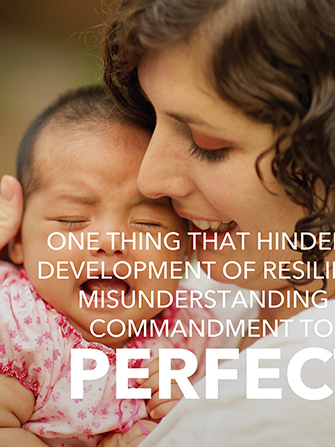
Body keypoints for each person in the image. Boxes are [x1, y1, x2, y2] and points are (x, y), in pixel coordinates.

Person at [102, 0, 335, 446]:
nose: (150, 179)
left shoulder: (326, 385)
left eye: (208, 144)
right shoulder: (245, 274)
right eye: (152, 121)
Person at [0, 85, 216, 447]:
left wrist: (184, 413)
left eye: (148, 223)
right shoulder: (22, 330)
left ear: (186, 248)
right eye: (72, 219)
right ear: (17, 240)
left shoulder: (193, 334)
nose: (110, 241)